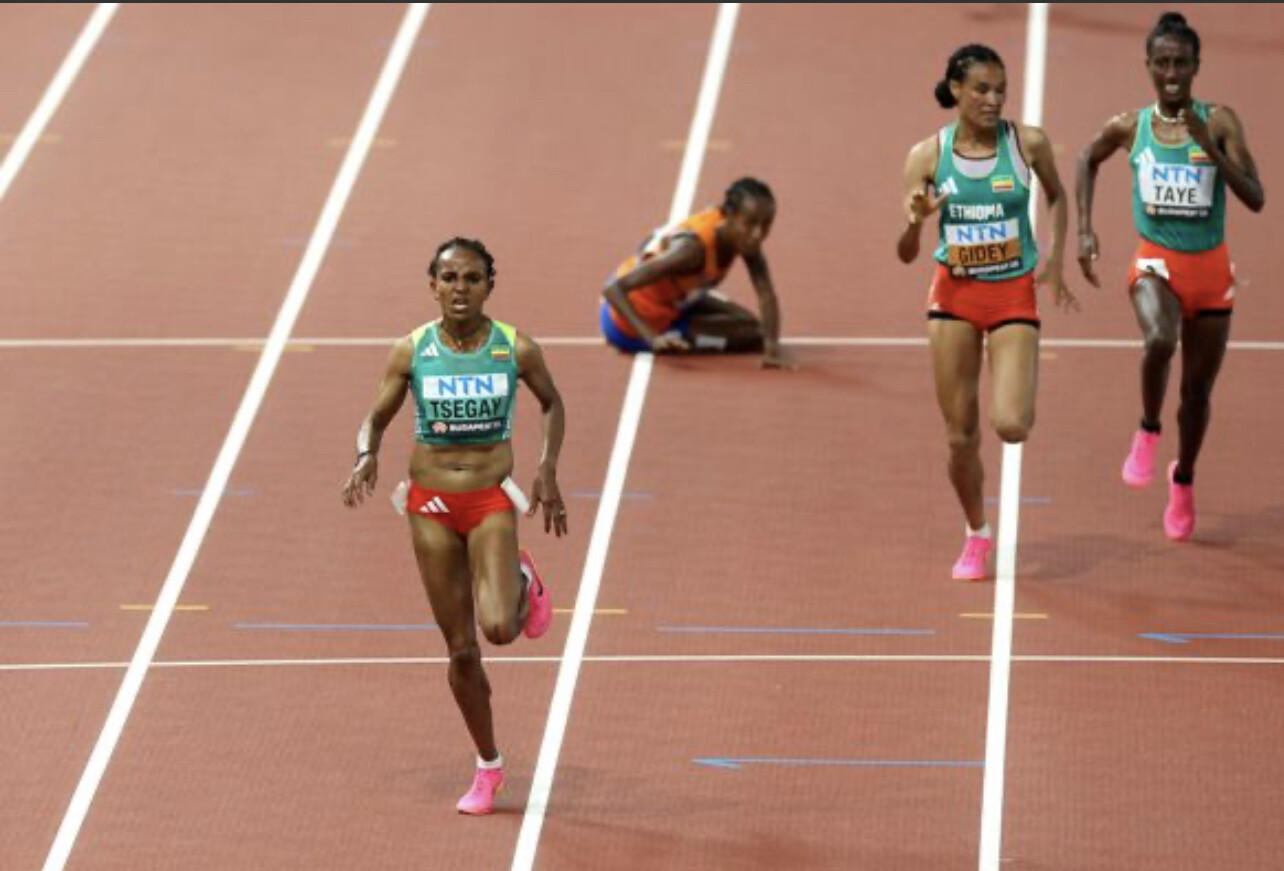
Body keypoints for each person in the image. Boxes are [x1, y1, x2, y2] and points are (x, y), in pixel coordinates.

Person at [341, 237, 567, 815]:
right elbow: (374, 418)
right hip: (432, 506)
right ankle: (488, 766)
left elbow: (551, 403)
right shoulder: (412, 350)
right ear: (433, 286)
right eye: (449, 278)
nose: (460, 288)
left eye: (471, 278)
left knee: (499, 628)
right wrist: (366, 454)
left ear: (489, 285)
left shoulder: (514, 347)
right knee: (462, 651)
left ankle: (521, 580)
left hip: (490, 501)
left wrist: (546, 468)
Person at [1077, 11, 1264, 541]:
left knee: (1197, 396)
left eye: (1181, 62)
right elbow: (1087, 159)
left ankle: (1183, 480)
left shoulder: (1220, 122)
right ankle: (1148, 429)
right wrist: (1085, 231)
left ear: (1197, 65)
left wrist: (1210, 149)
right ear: (1148, 66)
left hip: (1210, 272)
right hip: (1156, 264)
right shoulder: (1131, 126)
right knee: (1160, 338)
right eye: (1162, 62)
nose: (1172, 72)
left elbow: (1256, 197)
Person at [897, 44, 1076, 581]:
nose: (994, 100)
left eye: (1001, 90)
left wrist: (1055, 259)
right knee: (960, 437)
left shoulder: (1028, 144)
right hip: (954, 299)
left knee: (1012, 424)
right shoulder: (926, 156)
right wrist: (916, 221)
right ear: (956, 89)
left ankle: (1017, 377)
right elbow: (905, 253)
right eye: (981, 89)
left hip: (1012, 295)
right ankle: (977, 532)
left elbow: (1057, 196)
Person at [600, 177, 794, 369]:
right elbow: (613, 289)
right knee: (750, 337)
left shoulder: (744, 239)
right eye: (750, 223)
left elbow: (766, 294)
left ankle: (687, 323)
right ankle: (678, 335)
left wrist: (772, 350)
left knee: (756, 329)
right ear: (730, 215)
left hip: (677, 299)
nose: (758, 234)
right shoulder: (692, 250)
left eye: (766, 225)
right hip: (629, 323)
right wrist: (652, 338)